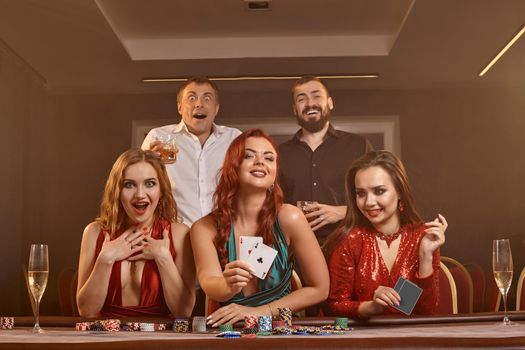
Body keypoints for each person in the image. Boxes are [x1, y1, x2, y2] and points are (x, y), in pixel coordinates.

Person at [191, 129, 329, 326]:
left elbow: (320, 289)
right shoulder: (204, 228)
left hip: (280, 329)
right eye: (248, 155)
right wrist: (227, 285)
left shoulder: (290, 217)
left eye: (269, 158)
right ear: (233, 166)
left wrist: (258, 312)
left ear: (274, 172)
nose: (260, 162)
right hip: (230, 332)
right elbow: (209, 283)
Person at [323, 151, 447, 319]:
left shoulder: (423, 237)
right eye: (361, 193)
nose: (369, 202)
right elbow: (334, 307)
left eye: (379, 191)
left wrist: (426, 255)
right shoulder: (349, 240)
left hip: (411, 339)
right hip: (364, 341)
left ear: (400, 192)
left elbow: (426, 311)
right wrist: (371, 307)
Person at [76, 149, 195, 318]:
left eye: (150, 183)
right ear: (117, 191)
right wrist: (105, 259)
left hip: (158, 342)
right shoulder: (93, 233)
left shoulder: (180, 234)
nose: (140, 194)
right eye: (129, 185)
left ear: (161, 191)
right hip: (106, 340)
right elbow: (86, 311)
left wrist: (163, 257)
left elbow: (183, 312)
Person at [279, 76, 372, 245]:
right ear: (295, 109)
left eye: (316, 96)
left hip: (350, 246)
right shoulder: (278, 154)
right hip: (296, 251)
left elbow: (379, 197)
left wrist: (343, 211)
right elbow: (271, 205)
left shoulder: (358, 145)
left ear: (330, 103)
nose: (309, 103)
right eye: (302, 99)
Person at [142, 76, 241, 226]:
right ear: (180, 107)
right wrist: (147, 165)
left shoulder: (234, 138)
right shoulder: (159, 137)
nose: (199, 104)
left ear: (216, 109)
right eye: (192, 98)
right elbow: (140, 186)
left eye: (207, 98)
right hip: (175, 236)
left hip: (224, 235)